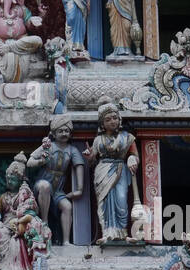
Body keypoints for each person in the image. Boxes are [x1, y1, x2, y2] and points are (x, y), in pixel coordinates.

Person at [84, 103, 140, 241]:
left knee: (121, 200)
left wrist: (132, 158)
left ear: (119, 120)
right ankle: (107, 233)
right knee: (104, 203)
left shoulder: (127, 137)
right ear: (102, 124)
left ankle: (123, 233)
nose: (112, 121)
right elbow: (92, 161)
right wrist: (89, 156)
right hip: (102, 172)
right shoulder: (98, 140)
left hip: (120, 170)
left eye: (115, 118)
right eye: (108, 119)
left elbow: (135, 155)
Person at [27, 116, 85, 245]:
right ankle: (45, 223)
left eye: (66, 131)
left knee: (67, 206)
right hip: (41, 185)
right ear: (53, 133)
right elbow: (30, 162)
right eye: (60, 131)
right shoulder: (48, 146)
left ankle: (66, 241)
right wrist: (41, 161)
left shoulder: (72, 150)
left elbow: (79, 165)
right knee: (45, 185)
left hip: (57, 190)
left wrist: (79, 189)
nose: (64, 134)